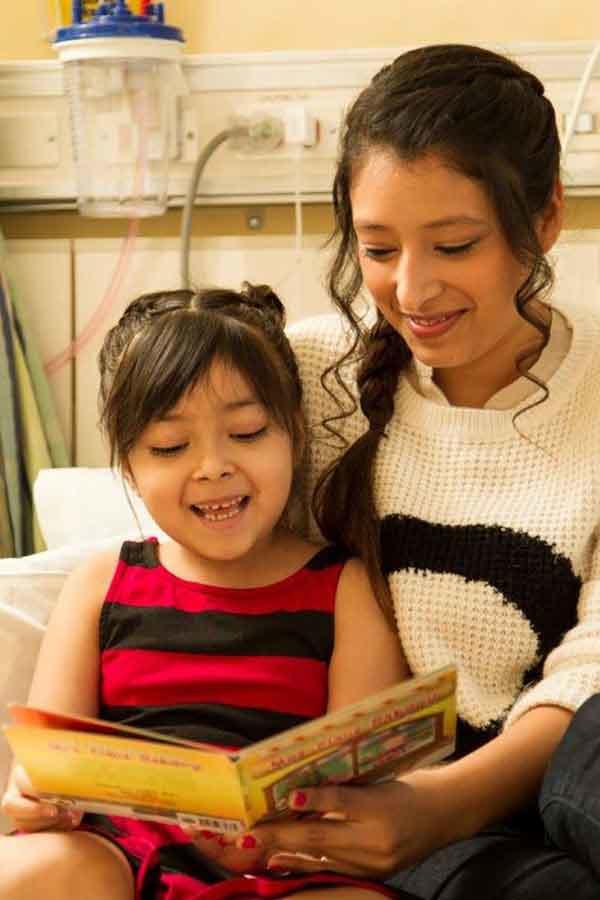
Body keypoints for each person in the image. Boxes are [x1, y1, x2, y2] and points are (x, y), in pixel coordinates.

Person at [187, 44, 600, 898]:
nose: (412, 289)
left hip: (552, 767)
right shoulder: (298, 382)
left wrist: (443, 806)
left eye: (453, 245)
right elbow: (179, 521)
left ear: (548, 216)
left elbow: (592, 665)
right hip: (408, 813)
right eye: (377, 249)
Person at [0, 284, 411, 900]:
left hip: (285, 866)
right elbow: (50, 757)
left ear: (294, 436)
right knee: (41, 869)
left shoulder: (345, 588)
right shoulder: (102, 581)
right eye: (170, 446)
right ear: (130, 467)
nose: (212, 466)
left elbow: (359, 787)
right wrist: (34, 798)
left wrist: (273, 838)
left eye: (246, 433)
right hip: (119, 852)